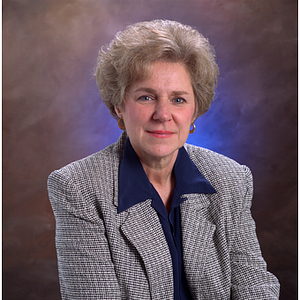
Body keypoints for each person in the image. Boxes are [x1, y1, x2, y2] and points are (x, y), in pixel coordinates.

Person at [47, 19, 280, 299]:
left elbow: (254, 285)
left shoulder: (230, 179)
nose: (163, 114)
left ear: (195, 111)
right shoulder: (78, 188)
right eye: (146, 97)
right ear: (119, 106)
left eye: (178, 100)